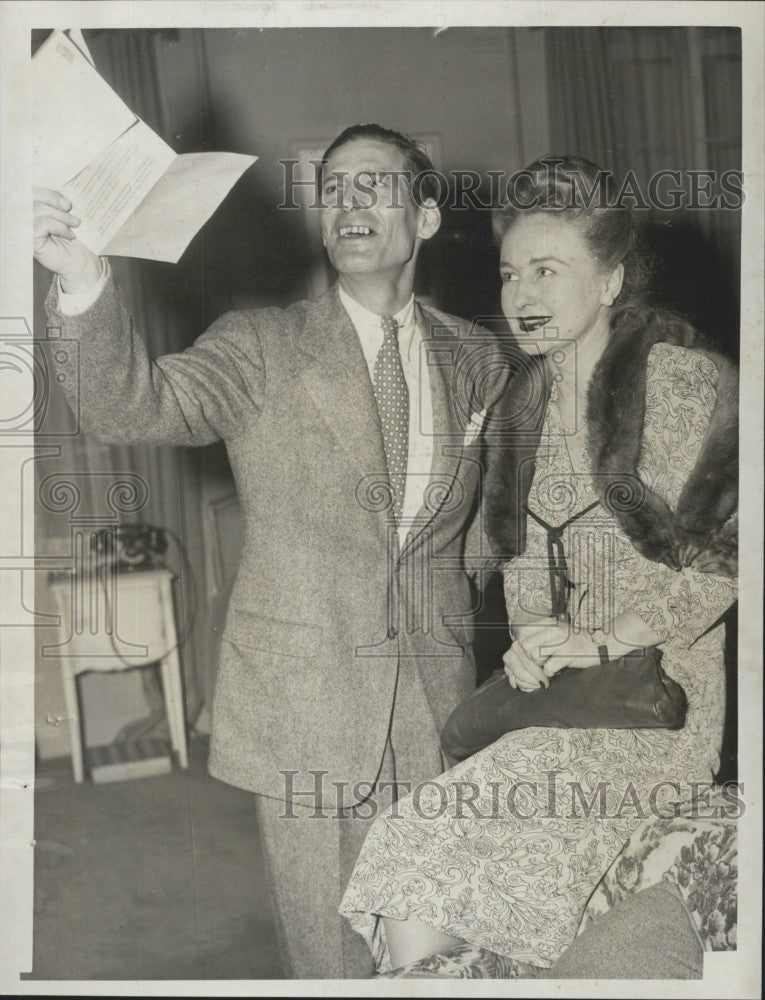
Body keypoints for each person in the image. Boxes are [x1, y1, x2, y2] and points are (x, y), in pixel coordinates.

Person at [33, 123, 510, 978]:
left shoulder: (477, 358)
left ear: (427, 218)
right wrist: (83, 284)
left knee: (436, 945)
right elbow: (135, 407)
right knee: (329, 958)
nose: (348, 204)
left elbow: (477, 527)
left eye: (375, 185)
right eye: (333, 189)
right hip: (303, 702)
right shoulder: (261, 346)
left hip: (434, 703)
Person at [339, 155, 738, 974]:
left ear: (610, 280)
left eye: (548, 271)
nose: (522, 295)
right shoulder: (517, 410)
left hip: (654, 708)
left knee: (421, 844)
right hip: (559, 700)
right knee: (414, 852)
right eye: (511, 273)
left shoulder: (686, 385)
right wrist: (529, 642)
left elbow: (728, 557)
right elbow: (522, 575)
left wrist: (602, 639)